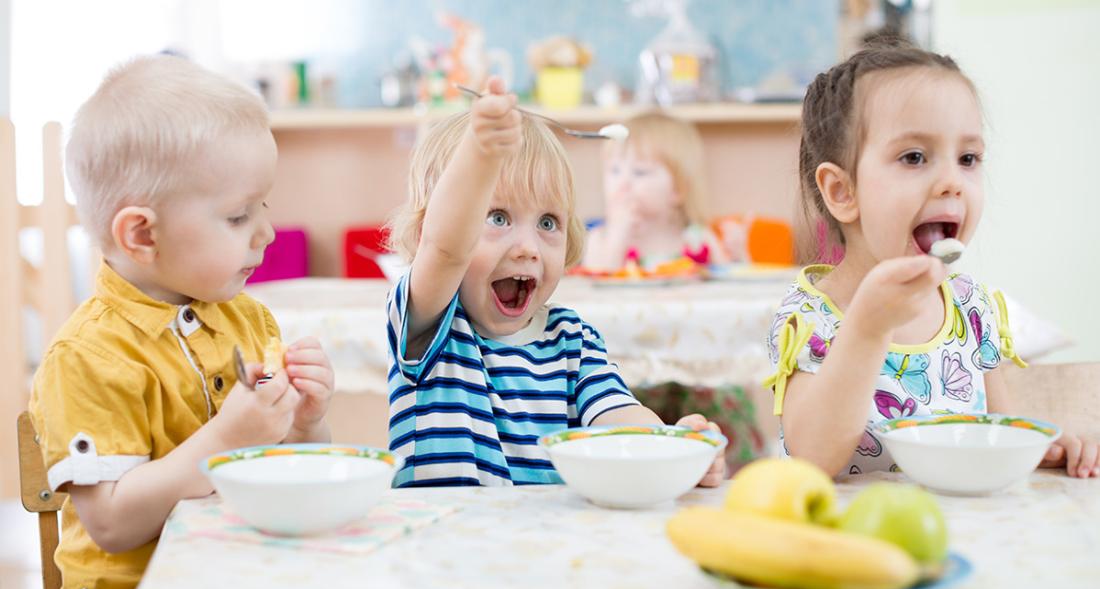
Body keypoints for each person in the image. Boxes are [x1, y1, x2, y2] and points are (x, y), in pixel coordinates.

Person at [29, 55, 334, 589]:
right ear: (142, 234)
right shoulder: (89, 358)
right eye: (240, 215)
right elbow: (113, 525)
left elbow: (283, 469)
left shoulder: (248, 321)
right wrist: (226, 438)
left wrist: (305, 425)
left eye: (262, 207)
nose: (267, 232)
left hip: (238, 584)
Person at [765, 42, 1099, 478]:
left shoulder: (970, 308)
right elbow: (812, 459)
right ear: (842, 192)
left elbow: (999, 429)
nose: (951, 182)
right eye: (915, 157)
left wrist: (1040, 446)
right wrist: (867, 327)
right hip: (845, 536)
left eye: (968, 159)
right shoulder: (810, 319)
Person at [384, 78, 725, 487]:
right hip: (437, 545)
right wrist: (481, 153)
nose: (528, 247)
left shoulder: (572, 339)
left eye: (548, 223)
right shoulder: (428, 322)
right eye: (497, 217)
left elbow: (617, 415)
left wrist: (674, 446)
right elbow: (445, 248)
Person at [583, 111, 727, 271]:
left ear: (678, 190)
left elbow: (730, 285)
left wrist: (740, 256)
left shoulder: (699, 239)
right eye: (614, 170)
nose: (623, 183)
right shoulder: (600, 239)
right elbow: (598, 282)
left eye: (640, 172)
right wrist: (617, 235)